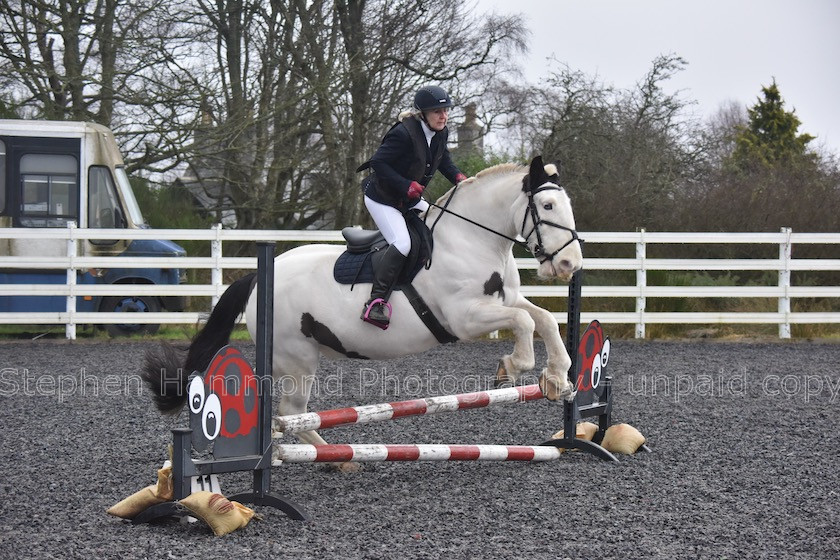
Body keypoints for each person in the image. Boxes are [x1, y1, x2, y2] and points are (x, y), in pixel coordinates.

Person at [357, 85, 467, 328]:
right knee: (403, 243)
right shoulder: (403, 134)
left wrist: (459, 178)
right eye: (437, 111)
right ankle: (376, 303)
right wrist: (405, 184)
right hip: (383, 198)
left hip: (408, 199)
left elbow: (443, 161)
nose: (443, 116)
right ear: (423, 114)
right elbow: (378, 164)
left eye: (446, 111)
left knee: (436, 228)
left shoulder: (441, 132)